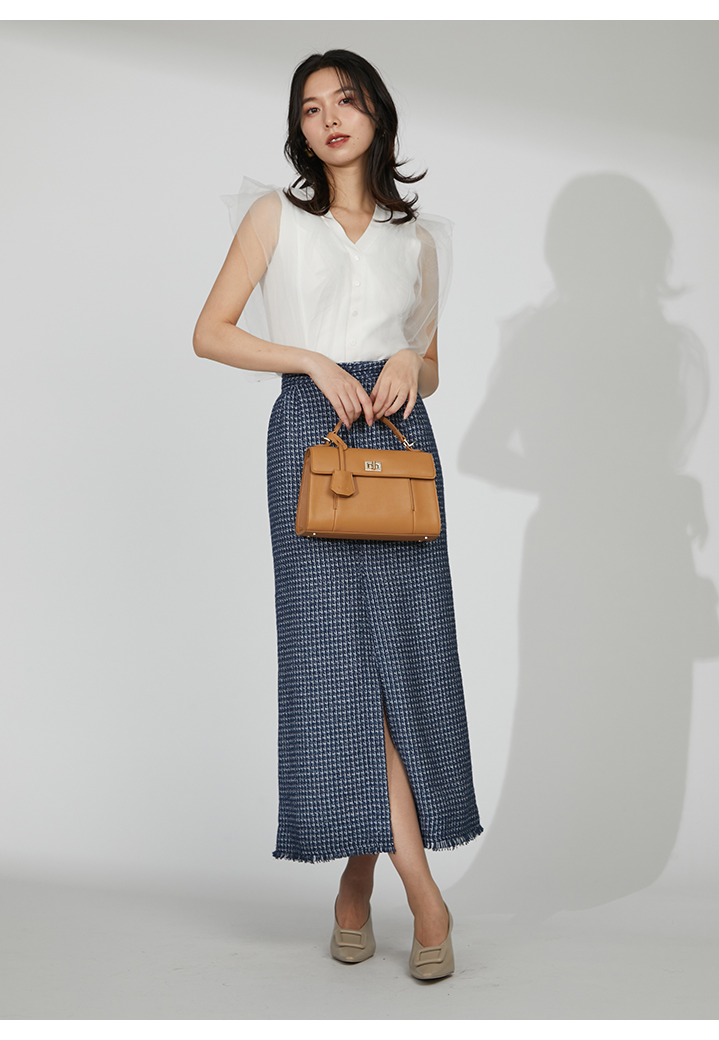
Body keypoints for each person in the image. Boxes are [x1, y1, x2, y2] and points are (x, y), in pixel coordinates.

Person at [193, 49, 481, 981]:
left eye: (345, 101)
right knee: (337, 662)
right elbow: (210, 332)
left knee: (404, 660)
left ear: (375, 114)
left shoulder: (417, 238)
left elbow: (428, 366)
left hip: (397, 443)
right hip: (311, 440)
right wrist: (311, 360)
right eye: (311, 108)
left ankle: (356, 883)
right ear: (300, 129)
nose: (329, 119)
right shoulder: (273, 218)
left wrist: (406, 364)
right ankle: (422, 889)